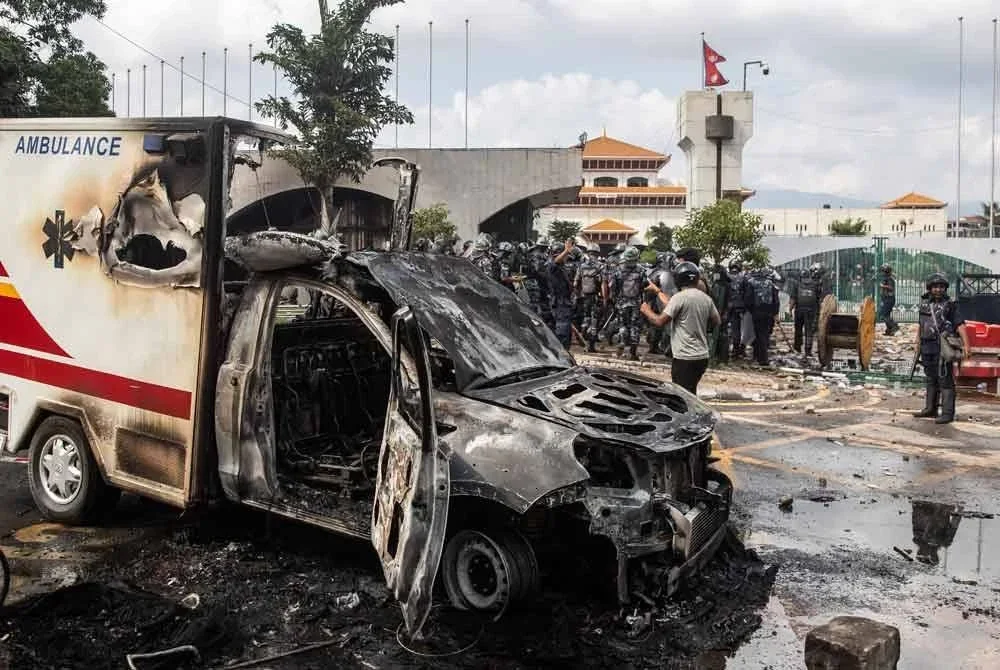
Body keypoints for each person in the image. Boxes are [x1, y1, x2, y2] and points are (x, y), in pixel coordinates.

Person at [641, 261, 721, 394]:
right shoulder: (706, 299)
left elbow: (660, 321)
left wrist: (646, 311)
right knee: (691, 392)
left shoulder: (679, 298)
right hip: (702, 357)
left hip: (685, 357)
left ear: (678, 279)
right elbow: (716, 321)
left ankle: (692, 415)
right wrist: (658, 291)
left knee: (681, 396)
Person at [912, 273, 969, 424]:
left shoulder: (950, 305)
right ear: (930, 288)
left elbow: (960, 325)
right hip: (926, 346)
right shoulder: (924, 304)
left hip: (942, 347)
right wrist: (918, 341)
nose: (938, 289)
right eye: (935, 287)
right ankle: (930, 409)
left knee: (945, 380)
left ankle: (947, 413)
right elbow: (921, 323)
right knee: (931, 379)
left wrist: (967, 345)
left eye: (941, 287)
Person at [613, 246, 645, 360]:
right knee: (635, 326)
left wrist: (615, 300)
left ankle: (621, 346)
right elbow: (643, 287)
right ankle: (633, 353)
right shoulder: (641, 270)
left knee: (622, 325)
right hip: (636, 303)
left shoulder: (618, 270)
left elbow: (614, 288)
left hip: (622, 302)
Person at [745, 264, 780, 366]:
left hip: (757, 313)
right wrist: (775, 313)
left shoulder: (751, 283)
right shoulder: (771, 284)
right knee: (764, 335)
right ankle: (760, 357)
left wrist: (751, 311)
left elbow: (748, 300)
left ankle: (762, 359)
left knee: (758, 334)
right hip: (769, 313)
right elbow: (776, 301)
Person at [790, 262, 824, 362]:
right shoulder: (815, 284)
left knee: (798, 330)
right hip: (810, 311)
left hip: (799, 310)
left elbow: (793, 298)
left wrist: (790, 308)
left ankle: (797, 348)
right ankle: (808, 350)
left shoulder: (797, 284)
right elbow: (819, 298)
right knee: (809, 331)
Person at [547, 239, 576, 349]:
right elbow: (555, 262)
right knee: (562, 330)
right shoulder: (552, 266)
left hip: (564, 302)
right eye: (564, 256)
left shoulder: (561, 268)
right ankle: (562, 351)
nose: (567, 258)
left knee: (566, 329)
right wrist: (566, 251)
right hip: (560, 303)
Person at [575, 244, 604, 352]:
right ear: (597, 253)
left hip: (584, 296)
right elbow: (603, 284)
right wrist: (604, 298)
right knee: (594, 320)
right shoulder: (600, 266)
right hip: (595, 296)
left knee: (586, 317)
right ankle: (591, 346)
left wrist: (578, 295)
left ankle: (583, 333)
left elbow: (576, 282)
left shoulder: (581, 266)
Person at [728, 260, 747, 358]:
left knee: (723, 328)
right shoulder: (744, 277)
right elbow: (746, 293)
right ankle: (737, 349)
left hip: (727, 306)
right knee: (738, 329)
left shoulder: (726, 276)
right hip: (739, 307)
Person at [879, 264, 900, 336]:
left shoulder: (890, 279)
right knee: (886, 314)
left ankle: (894, 326)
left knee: (883, 315)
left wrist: (883, 286)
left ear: (886, 272)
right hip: (886, 299)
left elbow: (891, 288)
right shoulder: (886, 278)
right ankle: (889, 330)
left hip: (889, 299)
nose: (882, 273)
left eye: (883, 271)